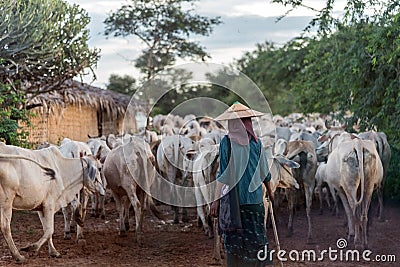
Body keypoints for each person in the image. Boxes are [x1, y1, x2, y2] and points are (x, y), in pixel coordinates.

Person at [210, 102, 274, 267]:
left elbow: (223, 175)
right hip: (256, 202)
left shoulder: (227, 142)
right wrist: (271, 193)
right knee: (257, 239)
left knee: (235, 243)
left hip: (235, 203)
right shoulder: (257, 142)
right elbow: (265, 173)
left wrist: (216, 201)